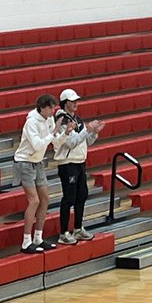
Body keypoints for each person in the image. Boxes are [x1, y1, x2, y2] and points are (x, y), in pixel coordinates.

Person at [14, 93, 71, 254]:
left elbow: (55, 142)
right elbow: (38, 144)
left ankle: (38, 237)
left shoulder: (49, 120)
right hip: (24, 162)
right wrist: (53, 134)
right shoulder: (31, 122)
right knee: (34, 201)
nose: (53, 111)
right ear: (43, 107)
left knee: (45, 199)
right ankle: (26, 241)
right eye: (51, 108)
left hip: (38, 162)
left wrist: (65, 133)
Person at [53, 88, 105, 246]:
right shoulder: (61, 120)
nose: (76, 103)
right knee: (68, 198)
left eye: (77, 100)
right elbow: (70, 142)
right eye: (72, 100)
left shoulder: (78, 119)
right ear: (65, 103)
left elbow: (85, 142)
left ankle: (77, 228)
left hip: (80, 162)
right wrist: (87, 131)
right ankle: (63, 233)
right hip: (68, 164)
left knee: (81, 195)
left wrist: (94, 133)